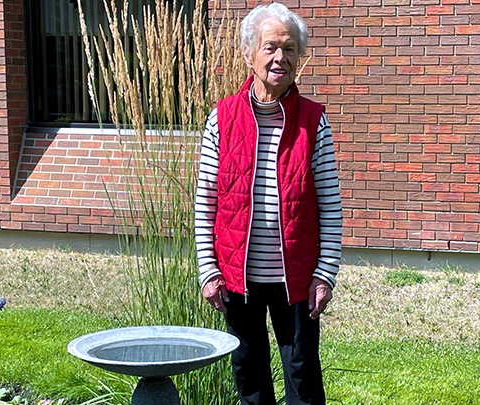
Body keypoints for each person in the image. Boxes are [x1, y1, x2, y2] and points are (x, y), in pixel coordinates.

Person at [194, 3, 342, 404]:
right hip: (236, 277)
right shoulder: (220, 119)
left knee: (302, 376)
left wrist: (325, 274)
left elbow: (330, 204)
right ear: (248, 54)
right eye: (271, 47)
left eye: (290, 49)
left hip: (295, 278)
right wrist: (208, 271)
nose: (281, 58)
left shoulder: (314, 121)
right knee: (249, 374)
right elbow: (205, 201)